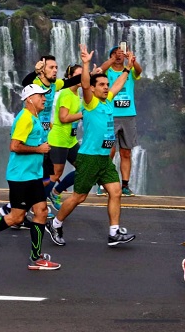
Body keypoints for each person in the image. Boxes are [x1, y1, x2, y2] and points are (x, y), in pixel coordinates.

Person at [45, 44, 136, 247]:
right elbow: (85, 84)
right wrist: (85, 64)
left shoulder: (107, 100)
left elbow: (119, 84)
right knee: (79, 197)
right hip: (89, 157)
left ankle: (114, 233)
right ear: (93, 89)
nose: (106, 87)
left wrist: (128, 68)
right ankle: (56, 223)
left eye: (106, 84)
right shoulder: (90, 102)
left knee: (116, 191)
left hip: (104, 159)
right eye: (102, 85)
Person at [0, 84, 61, 270]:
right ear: (29, 99)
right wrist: (39, 149)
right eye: (40, 95)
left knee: (41, 211)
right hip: (20, 177)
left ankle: (36, 258)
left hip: (33, 175)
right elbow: (15, 146)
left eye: (45, 95)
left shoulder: (34, 117)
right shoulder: (25, 117)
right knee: (16, 218)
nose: (44, 98)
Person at [0, 55, 81, 216]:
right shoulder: (34, 84)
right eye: (51, 67)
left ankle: (31, 207)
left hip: (44, 138)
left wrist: (93, 73)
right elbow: (25, 84)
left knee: (47, 177)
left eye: (56, 67)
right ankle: (19, 208)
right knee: (42, 177)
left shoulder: (55, 84)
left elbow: (71, 82)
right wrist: (35, 72)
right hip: (32, 137)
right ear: (42, 69)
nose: (55, 70)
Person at [97, 45, 143, 197]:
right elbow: (101, 69)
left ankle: (125, 185)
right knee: (109, 150)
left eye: (121, 54)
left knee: (126, 152)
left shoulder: (129, 71)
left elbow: (139, 71)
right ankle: (102, 184)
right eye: (115, 54)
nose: (119, 56)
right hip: (111, 115)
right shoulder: (107, 72)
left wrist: (131, 59)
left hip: (129, 116)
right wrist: (112, 58)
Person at [46, 64, 83, 212]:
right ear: (69, 77)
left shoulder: (77, 94)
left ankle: (55, 192)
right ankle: (39, 204)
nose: (81, 78)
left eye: (83, 74)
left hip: (71, 140)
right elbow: (63, 118)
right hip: (59, 139)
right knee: (55, 174)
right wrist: (83, 114)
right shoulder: (66, 93)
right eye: (77, 75)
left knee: (83, 168)